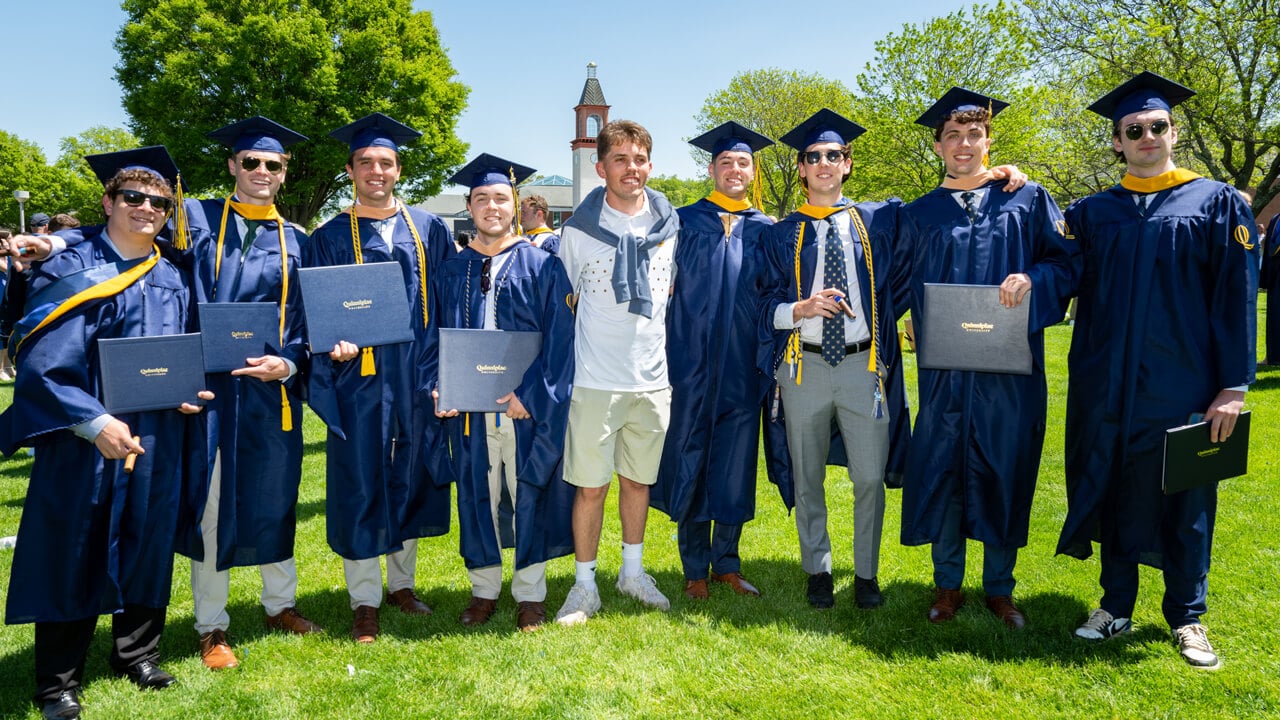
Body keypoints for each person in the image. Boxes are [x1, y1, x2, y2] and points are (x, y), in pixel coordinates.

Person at [0, 147, 212, 720]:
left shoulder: (172, 272)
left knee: (147, 541)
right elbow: (44, 367)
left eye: (159, 202)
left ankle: (137, 653)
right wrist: (94, 423)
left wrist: (189, 394)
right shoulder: (70, 269)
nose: (147, 209)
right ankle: (58, 681)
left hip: (158, 435)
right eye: (134, 199)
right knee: (75, 546)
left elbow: (179, 356)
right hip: (83, 440)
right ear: (108, 202)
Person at [1058, 72, 1257, 670]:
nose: (1148, 136)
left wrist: (1233, 385)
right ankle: (1115, 604)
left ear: (1174, 131)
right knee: (1113, 483)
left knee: (1187, 495)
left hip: (1185, 381)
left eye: (1157, 127)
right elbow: (1056, 268)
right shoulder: (1094, 213)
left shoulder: (1216, 202)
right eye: (1134, 129)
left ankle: (1188, 616)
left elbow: (1237, 298)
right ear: (1117, 142)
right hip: (1106, 381)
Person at [892, 88, 1077, 629]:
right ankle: (947, 585)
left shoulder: (1026, 199)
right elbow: (897, 279)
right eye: (953, 136)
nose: (964, 144)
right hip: (946, 372)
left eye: (974, 135)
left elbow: (1067, 264)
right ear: (937, 147)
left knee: (1004, 465)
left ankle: (1000, 588)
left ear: (989, 141)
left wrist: (1035, 278)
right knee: (945, 467)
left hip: (1008, 371)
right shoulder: (919, 213)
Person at [306, 113, 455, 642]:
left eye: (386, 162)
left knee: (410, 474)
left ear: (398, 169)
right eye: (366, 162)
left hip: (416, 374)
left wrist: (444, 373)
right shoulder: (326, 237)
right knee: (362, 481)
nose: (376, 170)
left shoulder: (430, 228)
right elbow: (314, 313)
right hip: (359, 380)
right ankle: (364, 597)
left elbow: (447, 306)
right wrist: (331, 347)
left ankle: (402, 585)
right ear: (351, 170)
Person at [759, 109, 913, 611]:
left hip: (861, 366)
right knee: (807, 474)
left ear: (847, 164)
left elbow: (939, 211)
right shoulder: (780, 234)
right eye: (813, 157)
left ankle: (866, 573)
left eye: (834, 155)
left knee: (869, 475)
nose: (824, 163)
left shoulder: (878, 220)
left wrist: (998, 175)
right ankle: (817, 569)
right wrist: (795, 309)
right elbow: (756, 303)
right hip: (803, 366)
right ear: (801, 168)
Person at [184, 116, 320, 667]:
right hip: (209, 391)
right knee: (213, 506)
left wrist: (288, 364)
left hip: (271, 395)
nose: (262, 171)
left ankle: (278, 605)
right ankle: (211, 626)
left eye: (274, 164)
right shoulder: (193, 220)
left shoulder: (298, 240)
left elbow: (311, 323)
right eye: (251, 162)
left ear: (284, 174)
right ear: (232, 166)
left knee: (275, 497)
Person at [425, 154, 576, 632]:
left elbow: (561, 340)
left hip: (521, 407)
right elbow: (433, 336)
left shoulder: (543, 264)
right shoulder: (453, 269)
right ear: (469, 206)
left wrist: (529, 395)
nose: (491, 206)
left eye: (500, 198)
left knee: (528, 491)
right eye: (481, 198)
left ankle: (530, 594)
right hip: (468, 408)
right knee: (476, 496)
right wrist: (439, 385)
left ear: (516, 205)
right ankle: (484, 589)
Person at [651, 121, 789, 600]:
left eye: (743, 162)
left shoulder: (766, 230)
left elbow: (776, 295)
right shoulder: (683, 221)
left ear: (753, 172)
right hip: (687, 365)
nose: (734, 169)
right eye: (725, 162)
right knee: (690, 457)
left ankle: (727, 563)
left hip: (742, 368)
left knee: (733, 464)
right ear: (711, 168)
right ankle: (693, 568)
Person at [553, 120, 680, 625]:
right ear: (601, 166)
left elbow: (669, 292)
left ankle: (632, 572)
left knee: (637, 483)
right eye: (621, 159)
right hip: (594, 379)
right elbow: (562, 302)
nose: (632, 168)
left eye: (640, 159)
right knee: (590, 487)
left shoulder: (669, 226)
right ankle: (584, 586)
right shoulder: (579, 233)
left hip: (651, 379)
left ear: (650, 165)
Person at [1261, 211, 1279, 365]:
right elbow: (1268, 249)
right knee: (1274, 316)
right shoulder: (1275, 218)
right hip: (1276, 275)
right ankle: (1273, 356)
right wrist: (1265, 277)